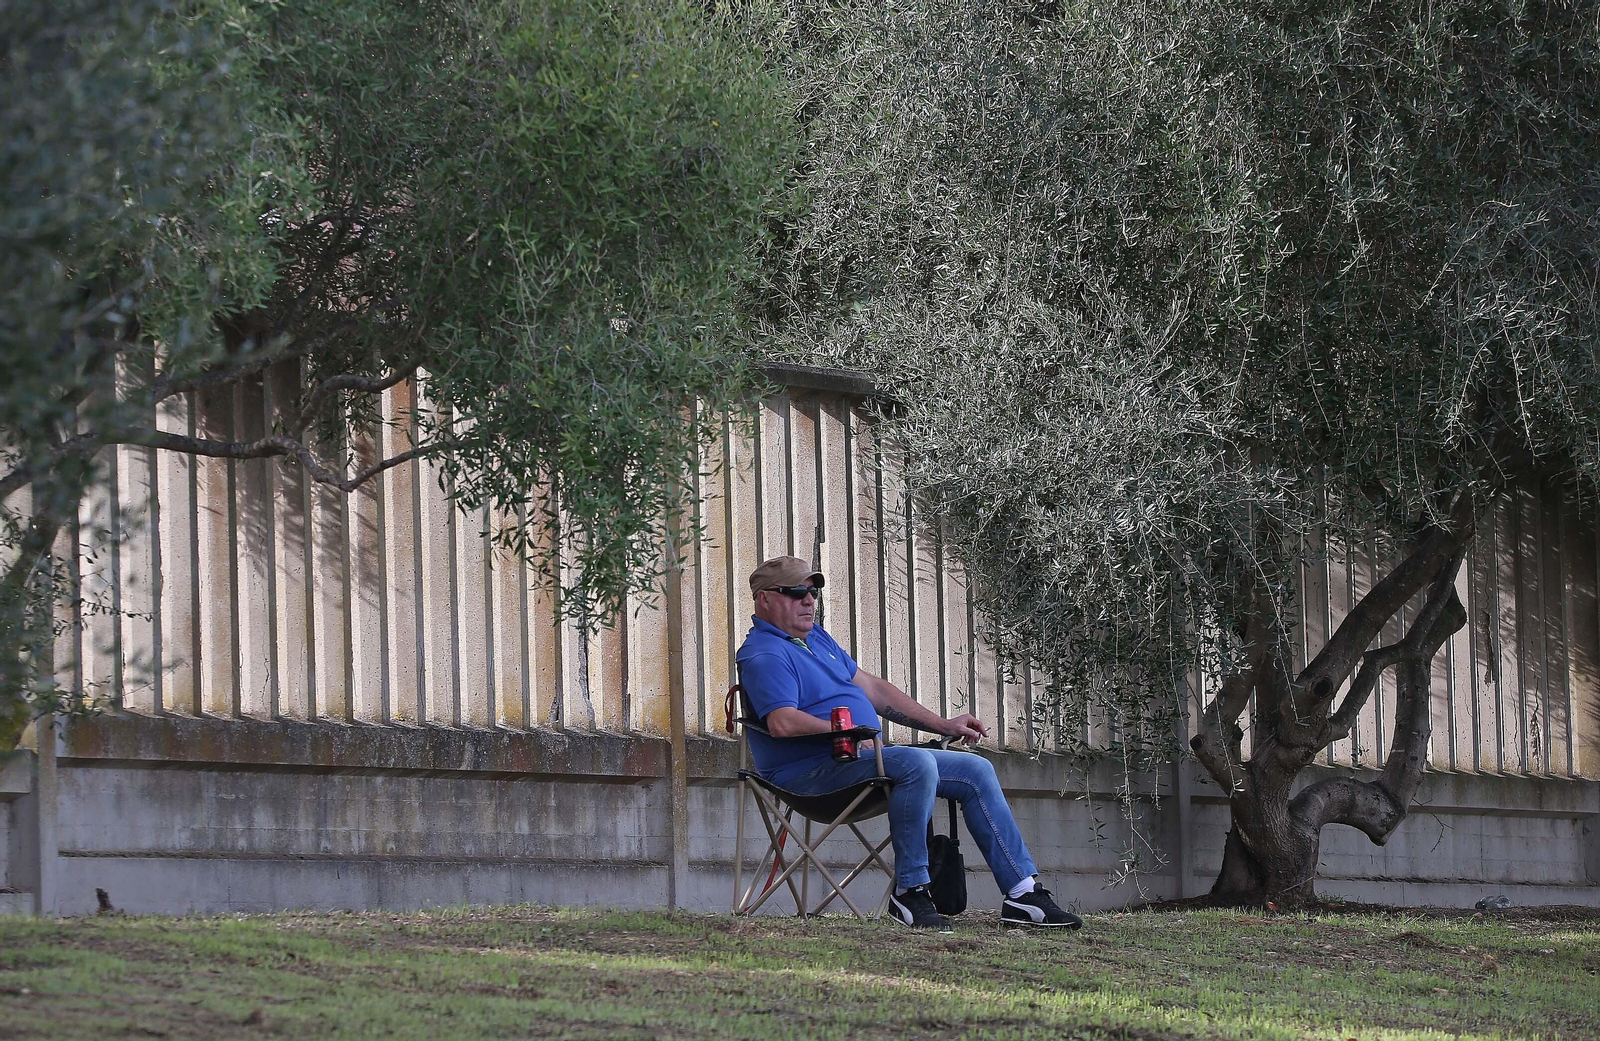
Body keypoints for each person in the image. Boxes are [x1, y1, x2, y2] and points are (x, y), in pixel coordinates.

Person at [735, 555, 1083, 931]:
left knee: (976, 768)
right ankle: (911, 891)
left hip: (861, 759)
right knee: (916, 764)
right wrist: (846, 733)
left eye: (813, 591)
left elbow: (875, 690)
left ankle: (1023, 894)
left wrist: (943, 724)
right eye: (796, 592)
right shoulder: (764, 654)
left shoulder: (814, 638)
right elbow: (782, 723)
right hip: (811, 777)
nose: (809, 600)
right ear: (765, 600)